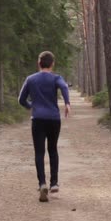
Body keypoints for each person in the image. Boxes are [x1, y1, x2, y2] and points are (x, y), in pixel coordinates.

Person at [18, 51, 71, 202]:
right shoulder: (56, 78)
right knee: (53, 149)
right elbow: (64, 87)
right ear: (52, 64)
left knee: (39, 152)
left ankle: (42, 183)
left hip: (38, 119)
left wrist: (31, 106)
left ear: (39, 63)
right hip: (54, 119)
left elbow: (21, 100)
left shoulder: (31, 79)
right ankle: (54, 183)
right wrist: (67, 103)